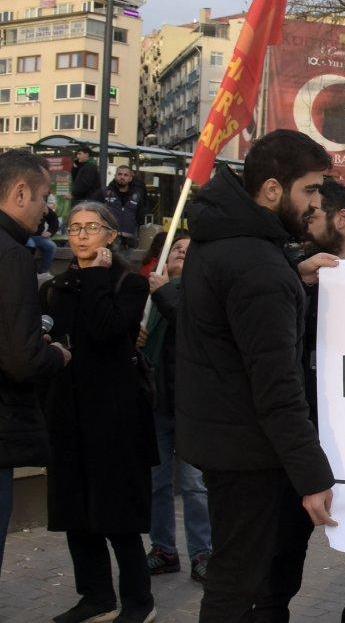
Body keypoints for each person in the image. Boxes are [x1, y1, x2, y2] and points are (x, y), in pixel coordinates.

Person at [175, 130, 337, 620]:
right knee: (240, 582)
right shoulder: (256, 265)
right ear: (271, 189)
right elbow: (277, 384)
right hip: (251, 450)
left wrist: (293, 275)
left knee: (240, 575)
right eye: (309, 190)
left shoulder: (224, 240)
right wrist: (312, 475)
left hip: (225, 438)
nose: (315, 203)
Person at [252, 178, 345, 621]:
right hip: (307, 430)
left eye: (312, 213)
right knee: (284, 544)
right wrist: (300, 282)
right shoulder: (296, 271)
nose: (304, 221)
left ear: (340, 218)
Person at [42, 201, 157, 623]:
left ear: (112, 234)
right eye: (74, 228)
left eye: (91, 227)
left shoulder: (129, 283)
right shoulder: (55, 285)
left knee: (118, 515)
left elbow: (108, 330)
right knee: (75, 513)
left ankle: (139, 601)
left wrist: (93, 277)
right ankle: (96, 597)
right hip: (69, 413)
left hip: (114, 416)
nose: (81, 235)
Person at [0, 150, 71, 577]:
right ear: (20, 191)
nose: (47, 207)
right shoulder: (11, 254)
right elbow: (21, 359)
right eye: (44, 196)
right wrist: (55, 355)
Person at [140, 232, 213, 584]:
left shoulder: (200, 296)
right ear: (164, 262)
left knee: (195, 486)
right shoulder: (150, 301)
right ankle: (163, 549)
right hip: (158, 405)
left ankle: (202, 552)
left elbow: (188, 326)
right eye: (175, 251)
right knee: (157, 483)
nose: (181, 255)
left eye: (188, 250)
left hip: (192, 408)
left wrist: (163, 292)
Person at [93, 164, 148, 249]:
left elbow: (140, 217)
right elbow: (93, 210)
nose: (122, 177)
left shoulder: (137, 196)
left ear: (130, 178)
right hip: (109, 239)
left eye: (125, 175)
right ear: (115, 176)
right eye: (119, 174)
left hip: (129, 241)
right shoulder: (104, 193)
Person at [28, 197, 59, 275]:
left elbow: (54, 219)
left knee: (52, 246)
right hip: (25, 236)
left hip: (39, 236)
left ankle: (43, 271)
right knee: (30, 245)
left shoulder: (41, 206)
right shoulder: (22, 206)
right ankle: (28, 271)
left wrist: (50, 231)